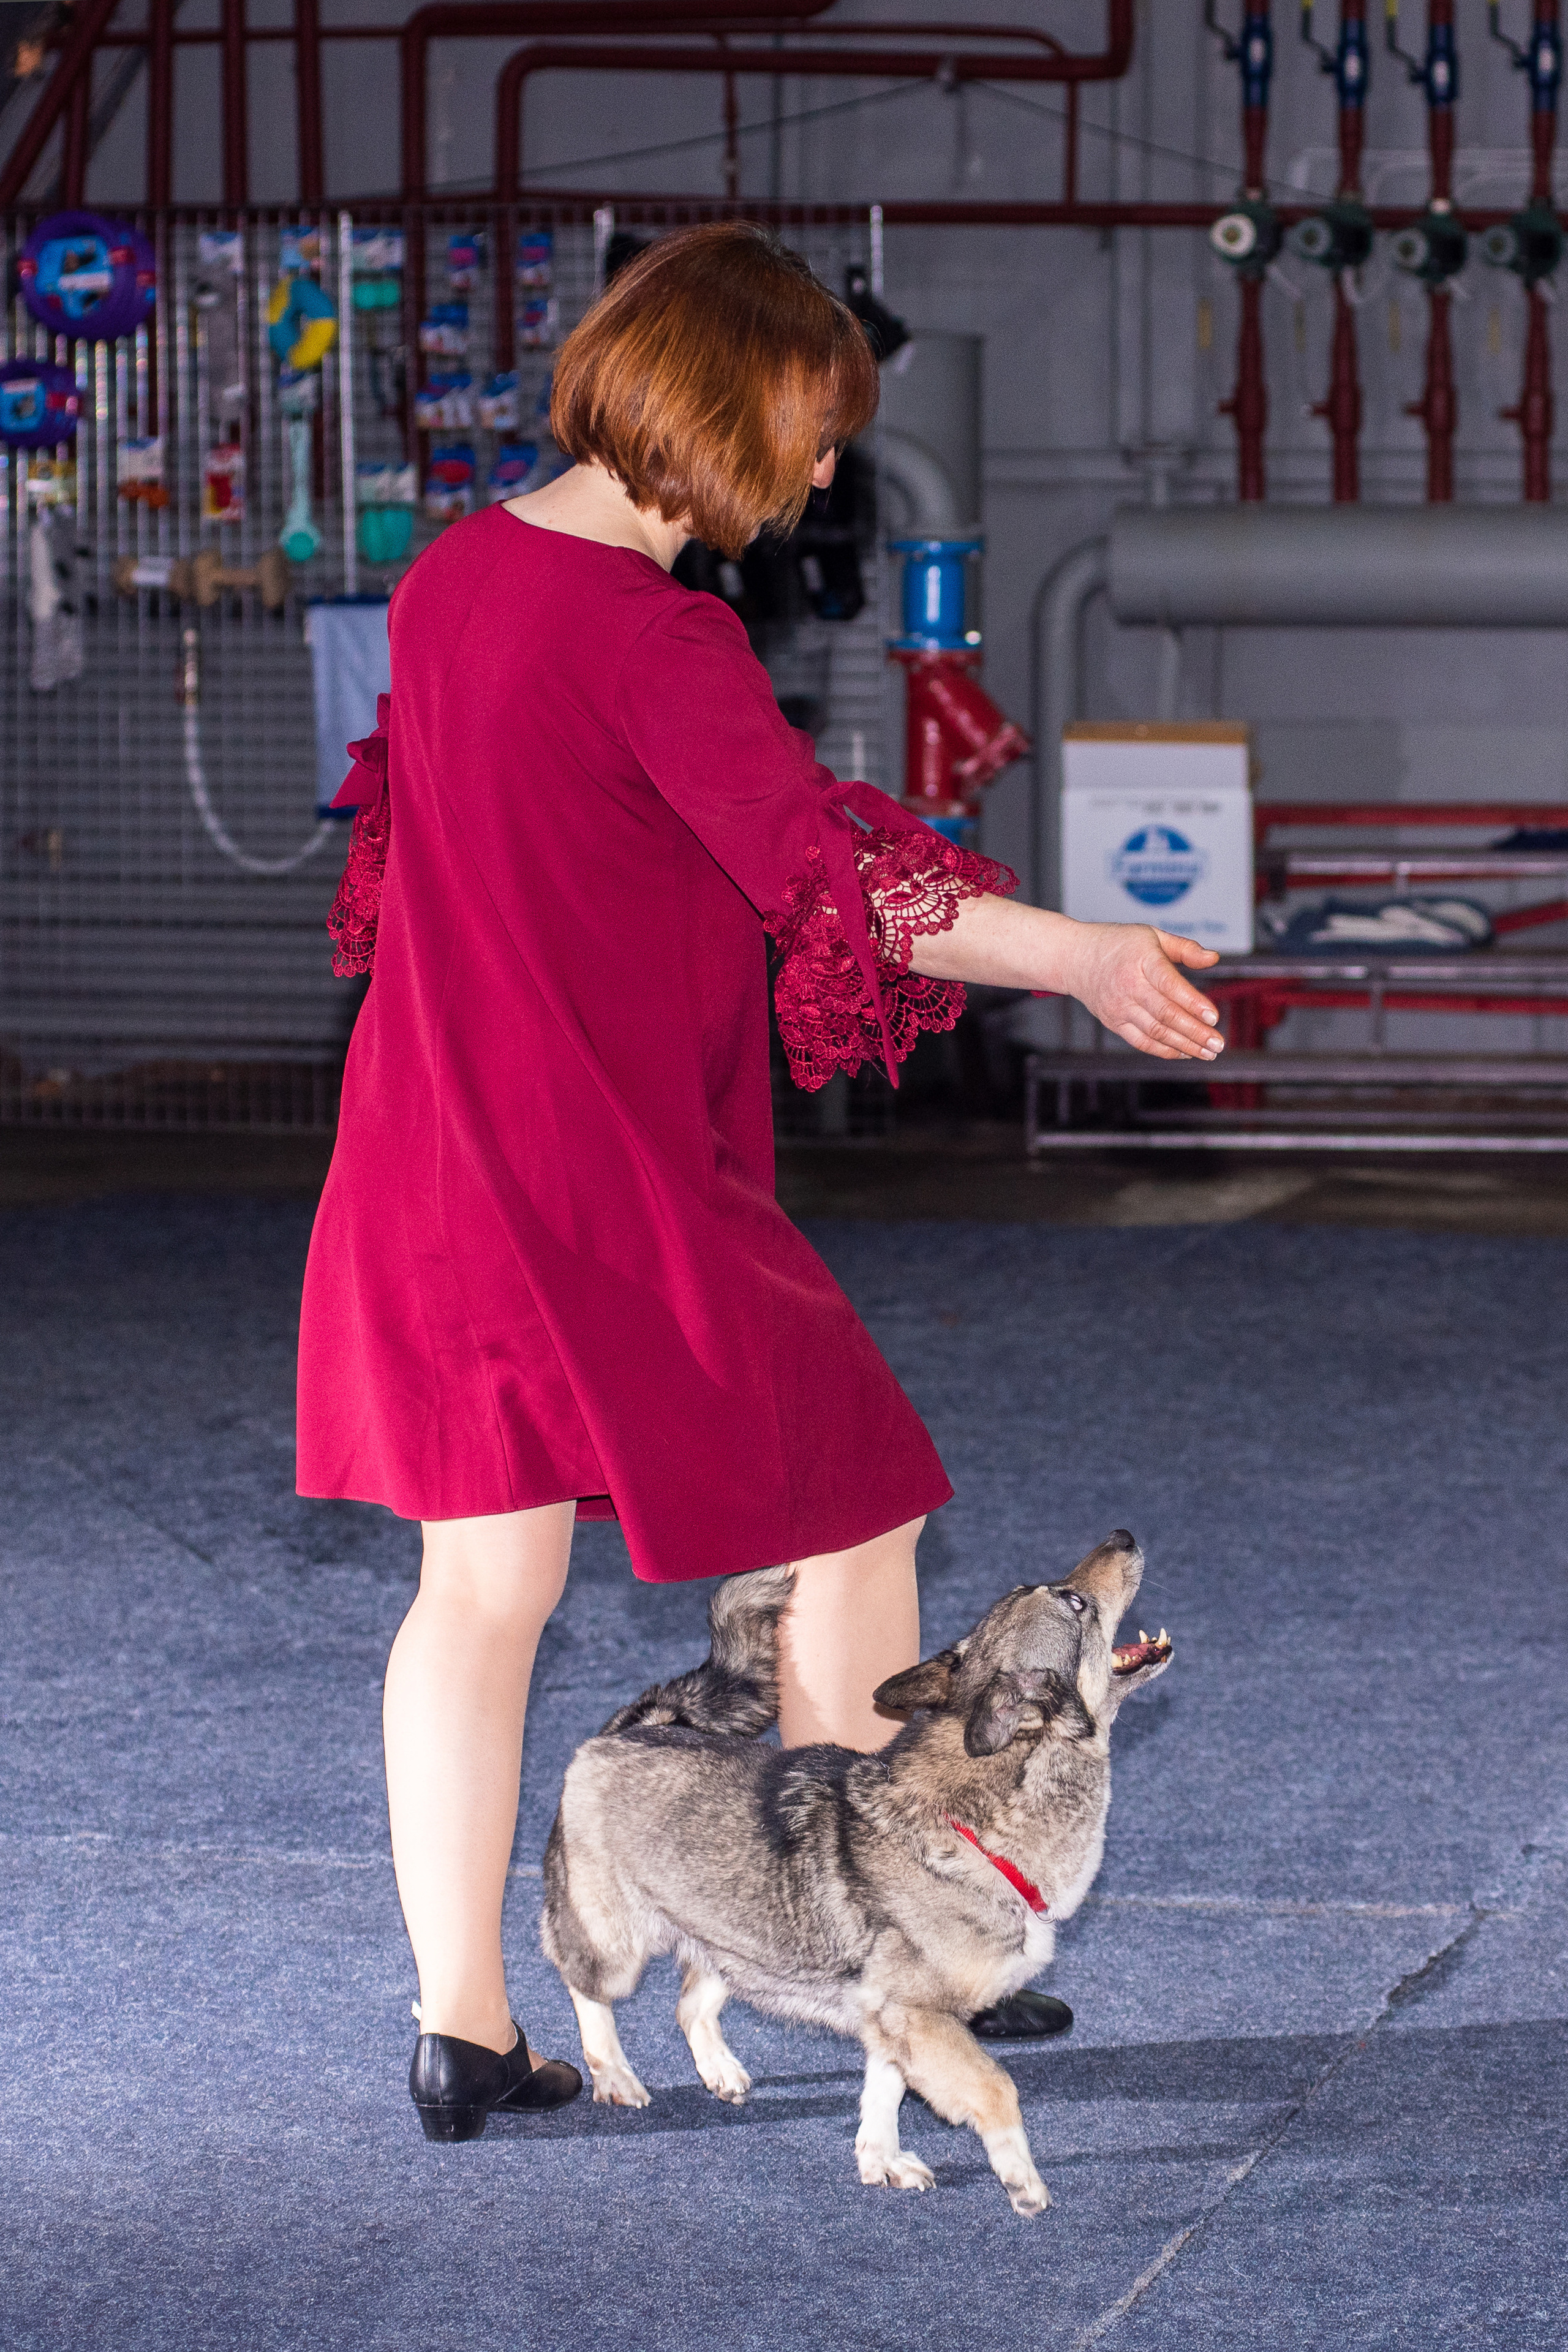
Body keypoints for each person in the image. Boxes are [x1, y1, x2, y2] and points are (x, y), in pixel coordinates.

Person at [296, 224, 1224, 2142]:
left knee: (476, 1591)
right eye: (812, 427)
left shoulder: (455, 579)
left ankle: (461, 2022)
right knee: (857, 1502)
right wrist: (1084, 956)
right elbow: (833, 876)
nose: (820, 471)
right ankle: (893, 1946)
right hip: (603, 1175)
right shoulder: (657, 633)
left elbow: (446, 848)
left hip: (420, 1162)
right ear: (720, 403)